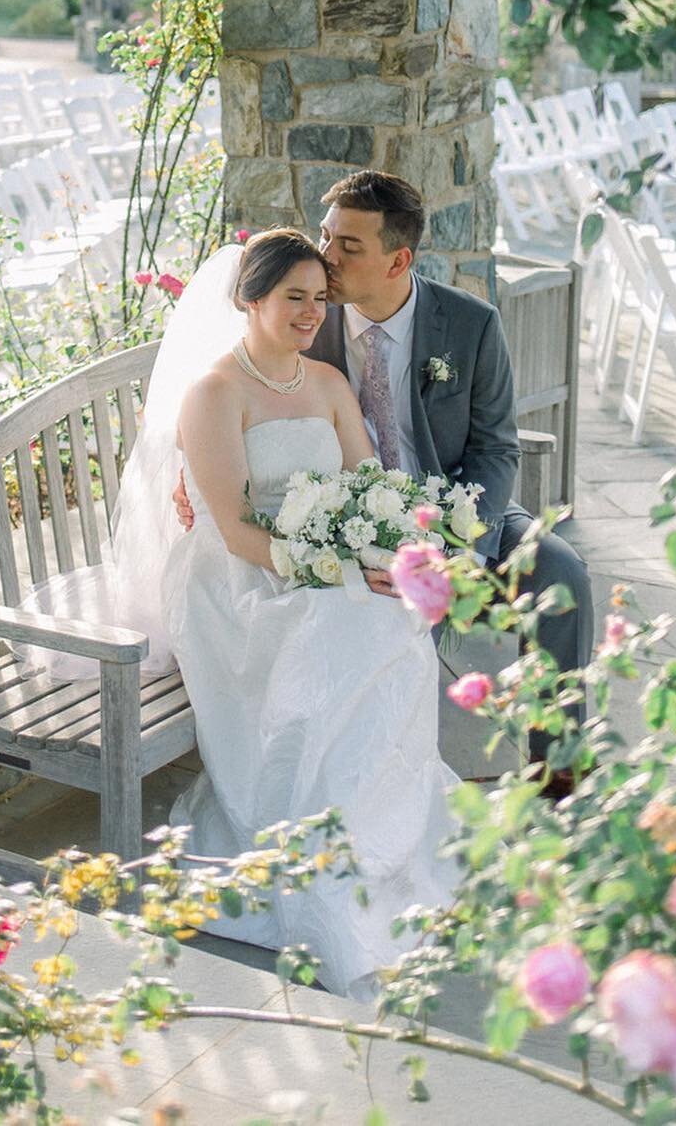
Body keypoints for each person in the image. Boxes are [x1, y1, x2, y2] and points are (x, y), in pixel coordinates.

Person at [160, 227, 459, 1000]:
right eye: (294, 295)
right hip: (241, 581)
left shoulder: (327, 383)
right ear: (249, 297)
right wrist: (334, 567)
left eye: (319, 298)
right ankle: (322, 849)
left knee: (395, 619)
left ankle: (377, 837)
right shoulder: (214, 394)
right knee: (344, 627)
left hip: (324, 560)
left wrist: (391, 551)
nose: (309, 311)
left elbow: (369, 488)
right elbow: (230, 530)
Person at [312, 169, 593, 792]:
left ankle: (559, 773)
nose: (326, 257)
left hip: (456, 514)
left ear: (398, 259)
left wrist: (457, 550)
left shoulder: (470, 324)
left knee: (562, 574)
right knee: (382, 619)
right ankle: (389, 784)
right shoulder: (306, 322)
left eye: (348, 246)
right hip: (345, 522)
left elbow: (496, 449)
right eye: (326, 236)